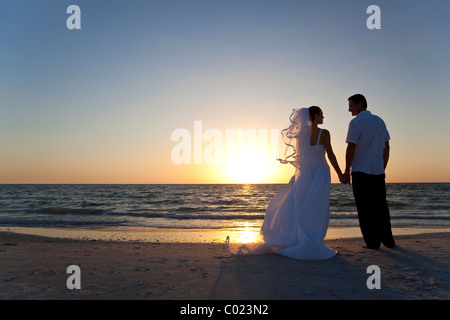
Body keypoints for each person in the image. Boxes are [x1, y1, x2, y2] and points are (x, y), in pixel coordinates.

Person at [259, 106, 343, 260]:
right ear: (316, 115)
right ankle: (313, 239)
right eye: (321, 114)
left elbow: (300, 158)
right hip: (320, 172)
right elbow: (330, 154)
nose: (323, 117)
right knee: (318, 205)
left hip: (304, 175)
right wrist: (341, 174)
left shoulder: (301, 135)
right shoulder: (324, 133)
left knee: (302, 204)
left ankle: (302, 237)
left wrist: (297, 177)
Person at [342, 94, 395, 249]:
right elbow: (387, 146)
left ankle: (372, 243)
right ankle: (388, 240)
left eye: (351, 105)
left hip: (360, 171)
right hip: (378, 171)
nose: (349, 109)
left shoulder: (356, 122)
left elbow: (351, 147)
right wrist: (382, 166)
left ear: (360, 104)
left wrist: (346, 170)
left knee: (364, 209)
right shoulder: (379, 120)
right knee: (381, 207)